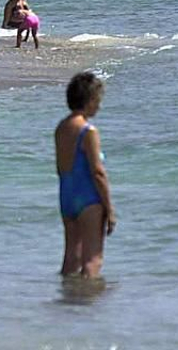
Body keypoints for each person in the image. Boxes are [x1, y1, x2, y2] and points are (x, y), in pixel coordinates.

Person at [55, 72, 113, 278]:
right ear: (89, 101)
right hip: (88, 198)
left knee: (71, 258)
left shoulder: (61, 128)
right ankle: (86, 305)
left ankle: (68, 301)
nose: (99, 106)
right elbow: (97, 172)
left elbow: (60, 167)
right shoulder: (88, 131)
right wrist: (110, 208)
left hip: (67, 196)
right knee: (93, 259)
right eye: (98, 100)